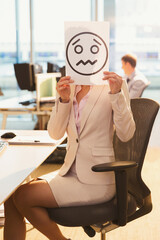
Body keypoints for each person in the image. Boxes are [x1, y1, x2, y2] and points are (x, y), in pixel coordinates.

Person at [4, 71, 136, 240]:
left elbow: (126, 134)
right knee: (11, 196)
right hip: (68, 172)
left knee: (23, 196)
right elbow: (55, 133)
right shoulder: (70, 85)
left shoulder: (112, 85)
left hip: (97, 178)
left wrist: (116, 94)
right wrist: (64, 100)